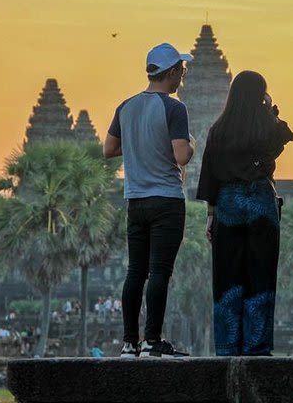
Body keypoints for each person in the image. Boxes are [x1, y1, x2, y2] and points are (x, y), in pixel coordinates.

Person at [104, 42, 195, 358]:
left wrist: (139, 146)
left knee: (135, 271)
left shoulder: (126, 107)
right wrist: (191, 146)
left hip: (136, 201)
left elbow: (109, 149)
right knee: (159, 272)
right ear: (171, 73)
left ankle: (129, 342)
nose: (181, 78)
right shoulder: (174, 108)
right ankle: (152, 340)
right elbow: (181, 156)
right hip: (167, 200)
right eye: (180, 72)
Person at [197, 70, 293, 356]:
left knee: (227, 276)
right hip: (261, 203)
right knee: (261, 274)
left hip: (227, 202)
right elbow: (286, 133)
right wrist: (269, 107)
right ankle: (257, 345)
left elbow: (209, 176)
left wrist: (211, 215)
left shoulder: (218, 129)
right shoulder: (265, 127)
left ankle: (228, 345)